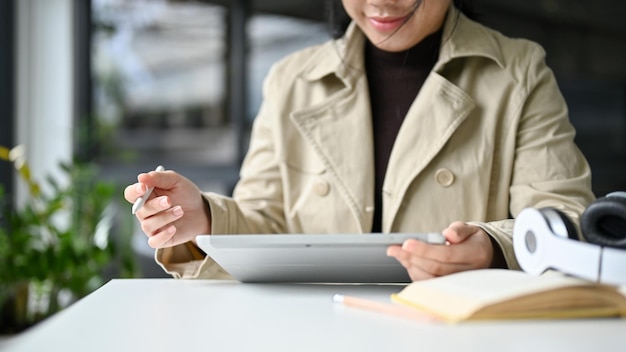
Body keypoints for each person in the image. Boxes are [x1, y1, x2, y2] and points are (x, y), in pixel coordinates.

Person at [124, 0, 595, 280]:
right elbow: (263, 222)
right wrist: (204, 218)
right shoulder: (291, 79)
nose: (381, 2)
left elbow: (566, 215)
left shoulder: (518, 71)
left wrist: (492, 248)